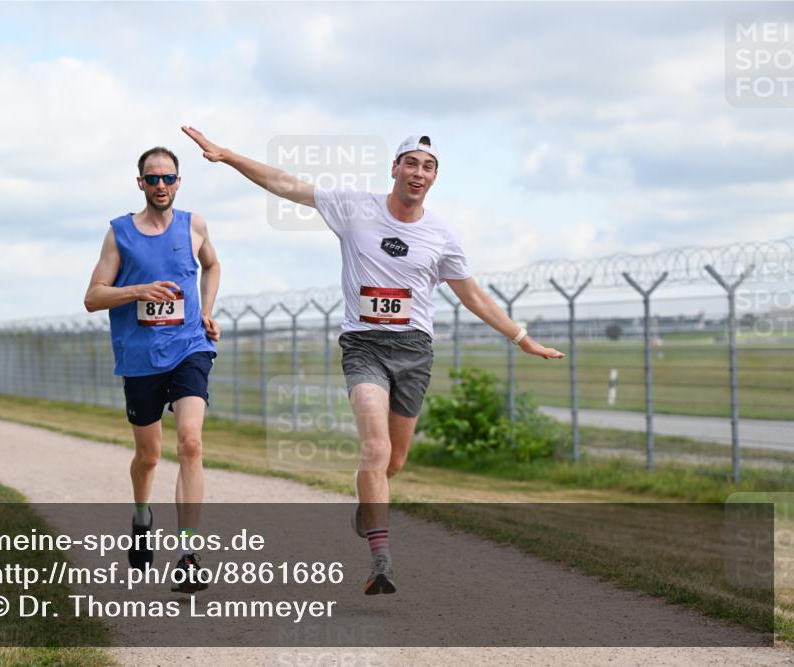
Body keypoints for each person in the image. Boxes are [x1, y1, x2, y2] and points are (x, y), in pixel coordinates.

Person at [181, 126, 564, 595]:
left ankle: (368, 503)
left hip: (414, 351)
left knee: (394, 461)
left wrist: (520, 336)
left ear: (434, 177)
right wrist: (227, 156)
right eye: (410, 163)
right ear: (395, 168)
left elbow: (475, 298)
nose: (417, 173)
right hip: (363, 346)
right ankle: (381, 560)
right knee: (375, 450)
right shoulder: (355, 207)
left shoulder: (441, 236)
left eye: (428, 167)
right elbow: (286, 183)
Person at [84, 145, 222, 593]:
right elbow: (93, 297)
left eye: (168, 178)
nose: (161, 185)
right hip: (140, 358)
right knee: (149, 456)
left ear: (179, 182)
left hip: (189, 348)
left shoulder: (194, 225)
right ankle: (142, 515)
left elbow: (213, 265)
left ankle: (187, 553)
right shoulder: (119, 234)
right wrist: (137, 290)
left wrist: (206, 310)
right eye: (152, 178)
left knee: (191, 442)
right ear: (140, 183)